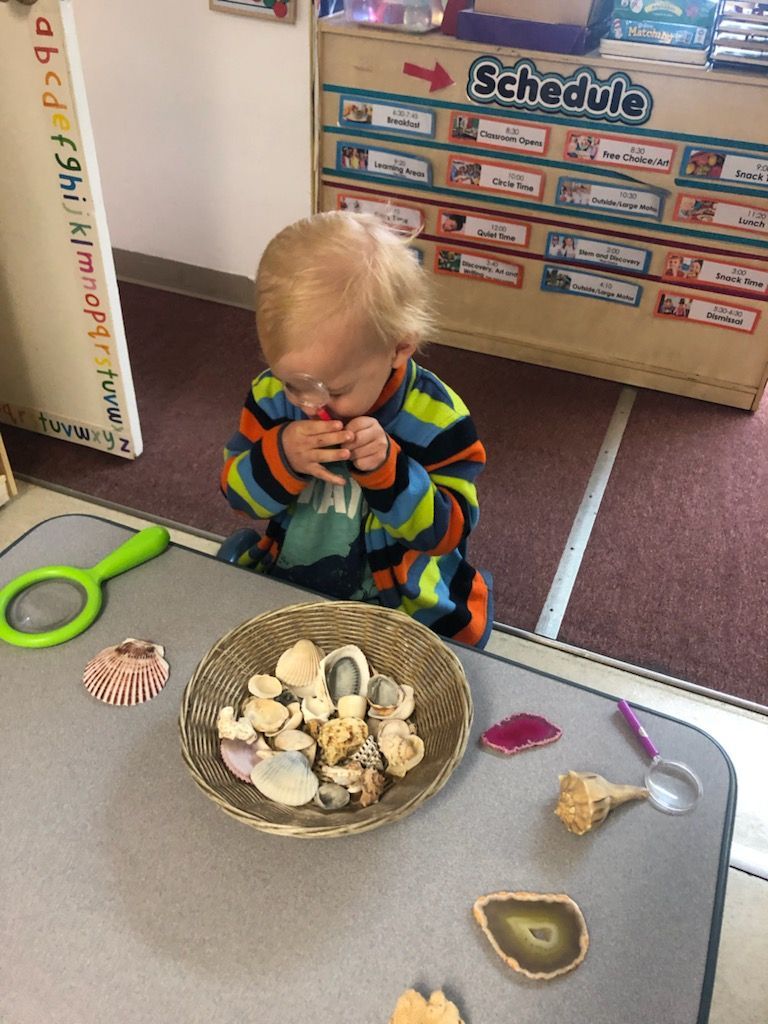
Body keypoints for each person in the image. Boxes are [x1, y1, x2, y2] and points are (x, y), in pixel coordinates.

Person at [220, 211, 493, 648]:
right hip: (295, 580)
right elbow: (238, 496)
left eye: (337, 389)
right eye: (296, 384)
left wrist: (391, 471)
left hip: (401, 605)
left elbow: (448, 533)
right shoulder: (273, 397)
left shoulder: (439, 419)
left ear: (398, 348)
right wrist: (281, 456)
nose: (312, 403)